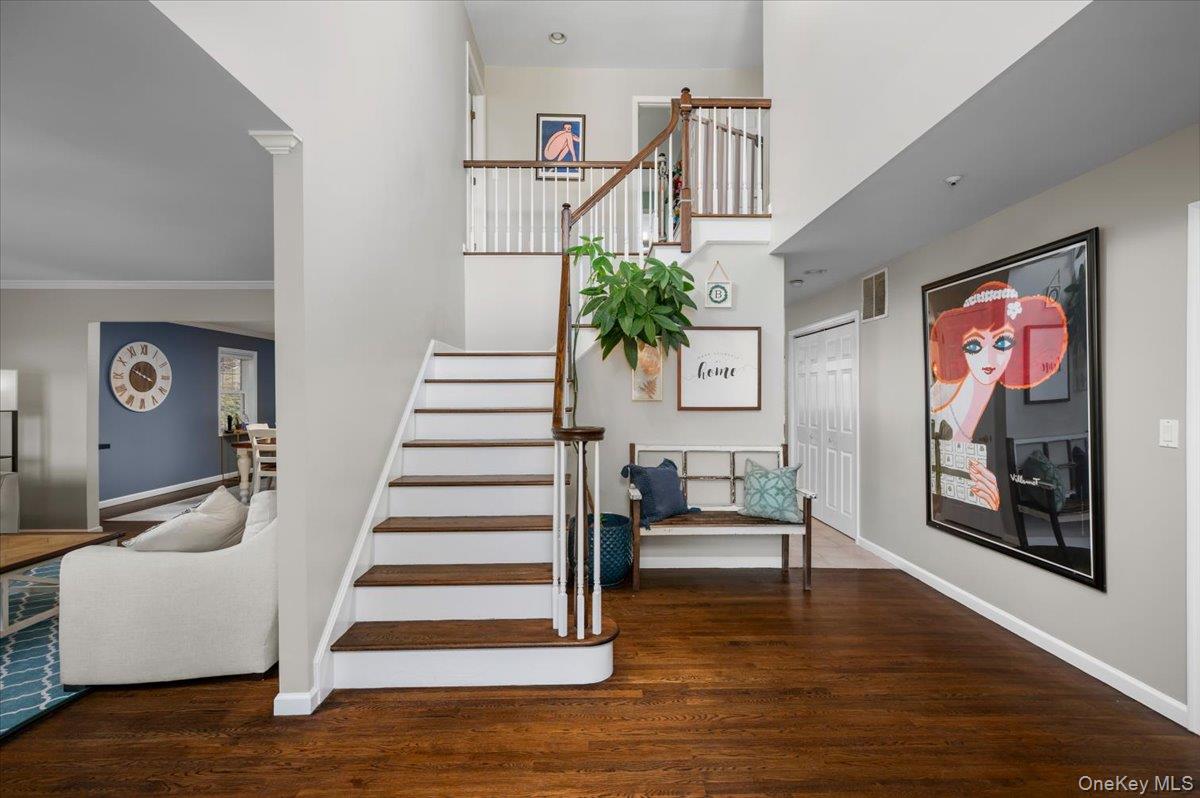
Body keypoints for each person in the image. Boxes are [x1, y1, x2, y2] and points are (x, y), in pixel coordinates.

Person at [928, 280, 1067, 510]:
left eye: (1002, 342)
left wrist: (990, 496)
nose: (989, 360)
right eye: (974, 346)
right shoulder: (946, 394)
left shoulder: (990, 398)